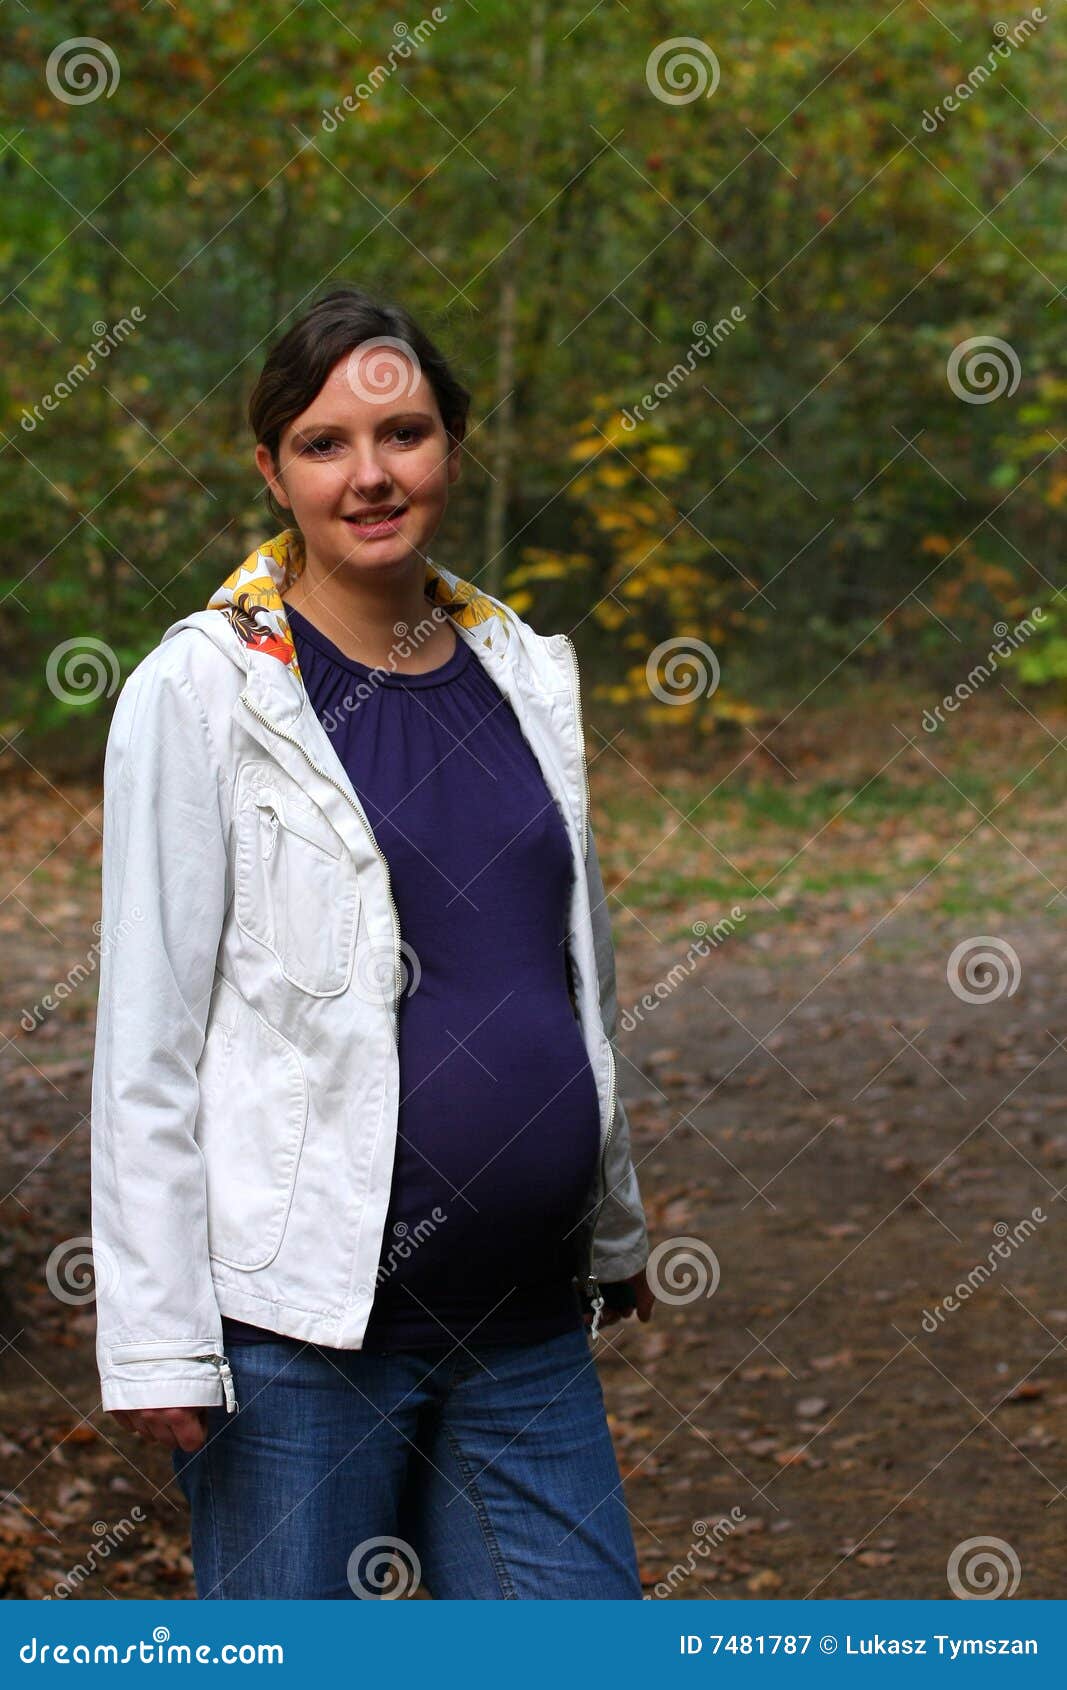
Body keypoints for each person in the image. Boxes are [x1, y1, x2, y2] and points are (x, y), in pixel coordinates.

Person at [90, 285, 653, 1599]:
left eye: (402, 433)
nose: (370, 474)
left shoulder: (519, 664)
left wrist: (615, 1226)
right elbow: (147, 1038)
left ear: (452, 446)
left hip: (524, 1329)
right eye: (326, 442)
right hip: (301, 1343)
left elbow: (569, 970)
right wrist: (159, 1338)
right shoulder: (206, 688)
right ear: (272, 470)